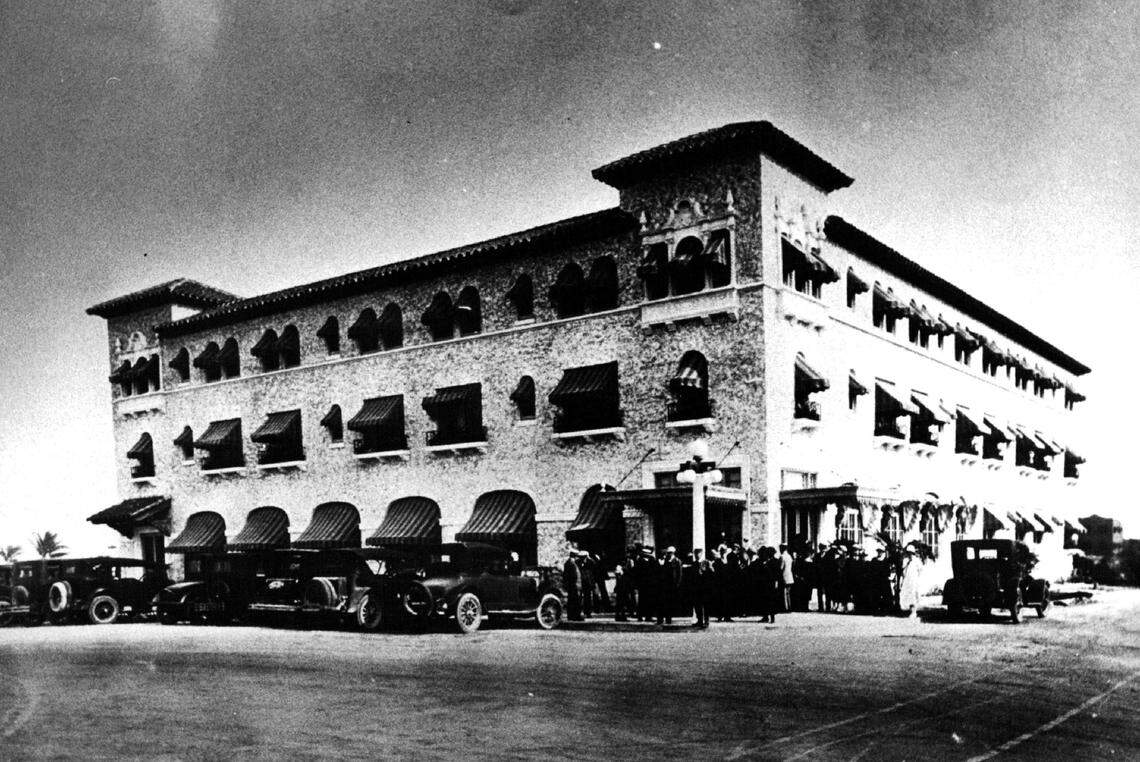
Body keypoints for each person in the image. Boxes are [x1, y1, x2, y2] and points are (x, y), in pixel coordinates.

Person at [657, 546, 682, 625]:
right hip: (665, 585)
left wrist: (677, 584)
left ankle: (668, 619)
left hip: (672, 585)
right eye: (668, 553)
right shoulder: (666, 561)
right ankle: (660, 619)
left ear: (673, 553)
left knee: (670, 603)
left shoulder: (677, 561)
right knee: (662, 602)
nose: (669, 554)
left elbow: (679, 574)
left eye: (670, 553)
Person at [688, 548, 712, 628]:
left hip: (705, 588)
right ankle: (700, 621)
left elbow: (711, 574)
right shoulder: (693, 564)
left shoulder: (707, 562)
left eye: (699, 553)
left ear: (702, 554)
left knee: (706, 606)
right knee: (697, 606)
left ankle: (706, 621)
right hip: (696, 588)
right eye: (695, 554)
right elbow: (691, 577)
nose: (697, 555)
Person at [636, 545, 657, 622]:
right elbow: (637, 573)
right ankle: (640, 616)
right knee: (642, 601)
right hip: (642, 584)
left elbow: (655, 572)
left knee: (650, 600)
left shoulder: (652, 560)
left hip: (650, 584)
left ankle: (649, 616)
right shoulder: (639, 561)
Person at [563, 550, 583, 621]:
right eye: (577, 556)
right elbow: (568, 576)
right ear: (574, 556)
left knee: (574, 601)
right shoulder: (570, 563)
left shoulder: (573, 563)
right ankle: (575, 616)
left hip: (575, 585)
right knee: (574, 601)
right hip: (573, 585)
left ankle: (573, 615)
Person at [578, 551, 595, 618]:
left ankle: (588, 612)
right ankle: (579, 612)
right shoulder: (578, 562)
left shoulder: (590, 562)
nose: (583, 558)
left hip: (587, 583)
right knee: (579, 598)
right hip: (580, 582)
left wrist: (589, 558)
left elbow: (594, 565)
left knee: (587, 598)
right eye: (581, 557)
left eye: (584, 557)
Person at [779, 544, 795, 613]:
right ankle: (789, 606)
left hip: (784, 576)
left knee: (784, 593)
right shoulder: (789, 556)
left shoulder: (782, 557)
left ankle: (785, 608)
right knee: (788, 593)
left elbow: (781, 567)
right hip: (790, 576)